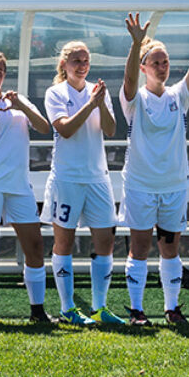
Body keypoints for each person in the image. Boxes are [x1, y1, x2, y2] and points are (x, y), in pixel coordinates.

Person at [119, 7, 189, 326]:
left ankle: (172, 309)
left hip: (173, 187)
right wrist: (136, 42)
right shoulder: (134, 99)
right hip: (140, 186)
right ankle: (137, 311)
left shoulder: (178, 97)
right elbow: (128, 80)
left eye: (165, 61)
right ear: (144, 66)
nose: (161, 66)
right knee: (139, 248)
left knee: (170, 248)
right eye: (155, 61)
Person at [0, 51, 56, 323]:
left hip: (18, 186)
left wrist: (21, 107)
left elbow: (43, 127)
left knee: (35, 246)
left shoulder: (18, 100)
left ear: (5, 75)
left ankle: (38, 311)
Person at [42, 40, 118, 326]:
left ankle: (100, 308)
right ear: (64, 64)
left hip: (98, 177)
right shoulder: (55, 93)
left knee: (105, 242)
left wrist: (100, 103)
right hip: (67, 178)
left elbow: (110, 130)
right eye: (76, 60)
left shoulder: (97, 92)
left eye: (85, 60)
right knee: (64, 242)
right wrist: (90, 105)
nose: (82, 65)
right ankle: (68, 308)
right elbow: (65, 129)